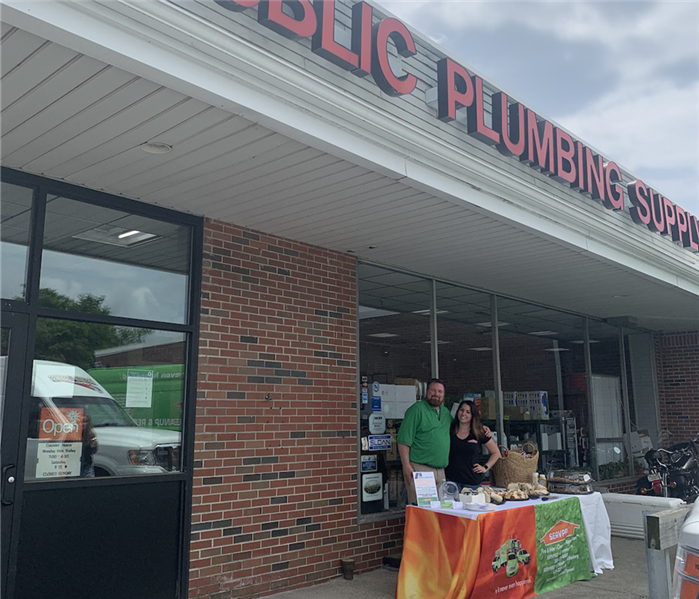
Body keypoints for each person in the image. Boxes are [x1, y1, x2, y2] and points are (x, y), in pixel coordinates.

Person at [397, 378, 452, 505]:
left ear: (444, 395)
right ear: (426, 391)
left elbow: (461, 429)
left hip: (441, 471)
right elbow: (404, 440)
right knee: (422, 510)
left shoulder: (445, 413)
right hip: (421, 469)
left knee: (440, 511)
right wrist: (406, 465)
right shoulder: (416, 410)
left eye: (440, 391)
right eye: (433, 390)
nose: (436, 394)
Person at [445, 400, 501, 490]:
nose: (463, 414)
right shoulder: (449, 429)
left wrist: (485, 468)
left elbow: (496, 452)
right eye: (461, 410)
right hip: (452, 482)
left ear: (472, 415)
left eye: (468, 412)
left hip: (472, 483)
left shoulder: (479, 432)